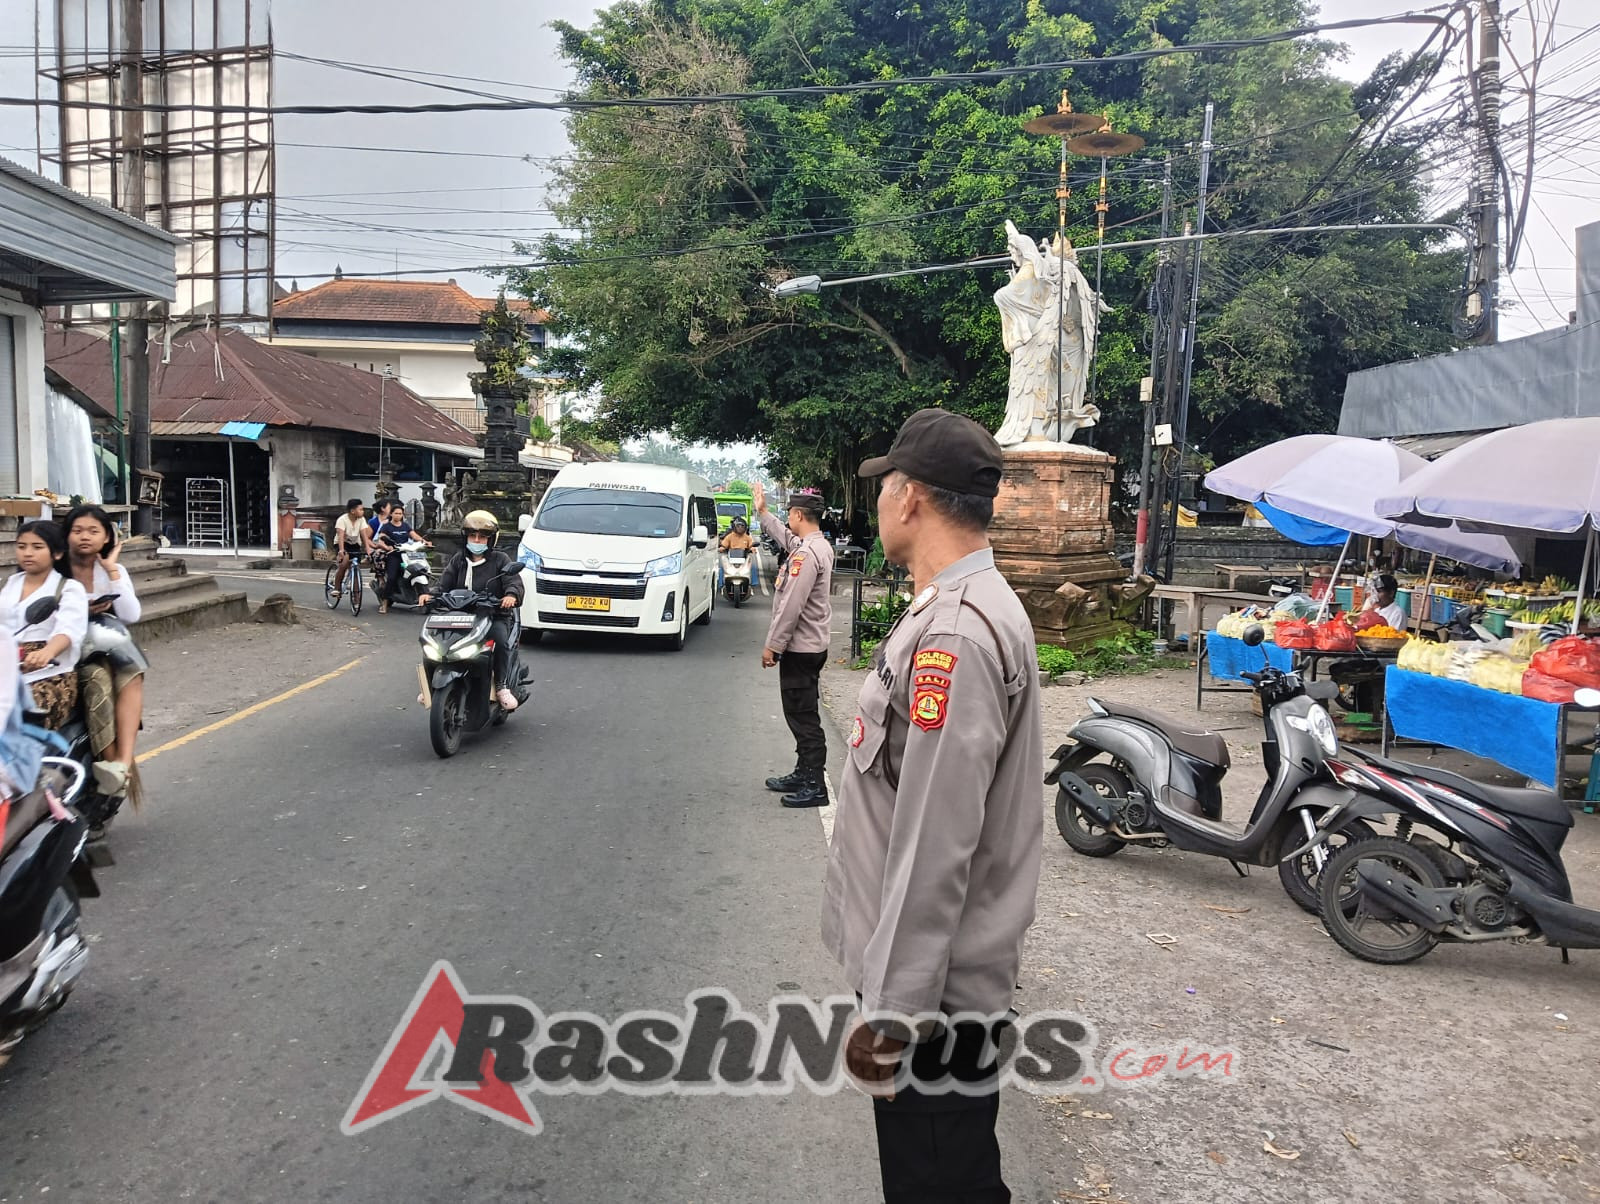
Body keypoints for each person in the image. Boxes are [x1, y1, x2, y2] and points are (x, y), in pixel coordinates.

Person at [828, 408, 1042, 1204]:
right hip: (942, 987)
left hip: (935, 1001)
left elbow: (933, 843)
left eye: (885, 485)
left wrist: (893, 1012)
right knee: (953, 1173)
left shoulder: (953, 635)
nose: (880, 501)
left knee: (937, 1182)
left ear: (909, 496)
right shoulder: (967, 605)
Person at [753, 482, 833, 808]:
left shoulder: (806, 555)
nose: (787, 520)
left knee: (803, 717)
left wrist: (773, 645)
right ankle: (804, 773)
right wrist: (763, 513)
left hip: (801, 650)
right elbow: (787, 538)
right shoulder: (816, 546)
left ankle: (815, 785)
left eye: (789, 515)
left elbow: (791, 607)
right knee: (801, 712)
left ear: (799, 514)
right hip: (811, 647)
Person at [62, 505, 147, 798]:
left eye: (93, 531)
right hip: (66, 649)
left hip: (106, 643)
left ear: (106, 538)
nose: (84, 537)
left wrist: (112, 570)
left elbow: (131, 614)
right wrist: (79, 610)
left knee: (132, 671)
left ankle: (120, 764)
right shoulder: (56, 569)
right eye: (77, 530)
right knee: (96, 682)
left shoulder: (113, 570)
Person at [417, 510, 525, 710]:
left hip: (492, 616)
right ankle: (430, 686)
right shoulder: (458, 560)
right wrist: (430, 595)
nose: (476, 540)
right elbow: (443, 584)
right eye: (472, 535)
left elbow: (514, 582)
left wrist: (510, 596)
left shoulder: (500, 560)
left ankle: (501, 685)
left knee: (500, 640)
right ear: (465, 536)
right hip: (458, 616)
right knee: (430, 641)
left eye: (482, 537)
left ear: (491, 539)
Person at [0, 520, 89, 730]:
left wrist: (47, 652)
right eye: (22, 546)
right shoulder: (11, 584)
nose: (27, 553)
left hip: (49, 675)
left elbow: (69, 630)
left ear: (57, 553)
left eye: (37, 547)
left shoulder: (68, 588)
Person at [373, 506, 431, 614]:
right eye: (396, 513)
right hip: (394, 555)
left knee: (420, 569)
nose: (398, 515)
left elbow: (414, 536)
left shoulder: (405, 526)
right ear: (391, 514)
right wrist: (387, 547)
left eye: (400, 514)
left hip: (407, 554)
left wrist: (424, 541)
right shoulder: (387, 527)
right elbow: (381, 540)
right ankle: (384, 603)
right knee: (391, 578)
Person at [331, 499, 371, 598]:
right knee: (344, 562)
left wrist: (368, 549)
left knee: (355, 568)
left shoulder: (361, 520)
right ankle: (337, 587)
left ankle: (356, 596)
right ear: (353, 511)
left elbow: (364, 535)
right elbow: (340, 536)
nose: (363, 511)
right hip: (342, 544)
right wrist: (341, 550)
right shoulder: (342, 520)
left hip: (355, 544)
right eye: (360, 509)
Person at [717, 516, 760, 591]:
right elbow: (724, 545)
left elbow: (751, 545)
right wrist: (722, 548)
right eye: (738, 526)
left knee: (753, 564)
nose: (740, 528)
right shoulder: (729, 536)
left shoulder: (747, 537)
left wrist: (752, 549)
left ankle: (753, 582)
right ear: (734, 527)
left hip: (743, 556)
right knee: (721, 565)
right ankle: (720, 583)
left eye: (742, 526)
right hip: (731, 556)